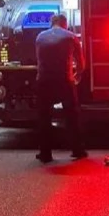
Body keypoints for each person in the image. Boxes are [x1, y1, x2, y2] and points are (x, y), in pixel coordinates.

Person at [35, 13, 86, 163]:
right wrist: (77, 75)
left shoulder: (40, 37)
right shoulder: (71, 36)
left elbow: (38, 59)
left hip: (43, 80)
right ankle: (77, 150)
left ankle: (45, 153)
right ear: (65, 23)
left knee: (44, 117)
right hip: (64, 80)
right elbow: (81, 63)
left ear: (52, 23)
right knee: (72, 115)